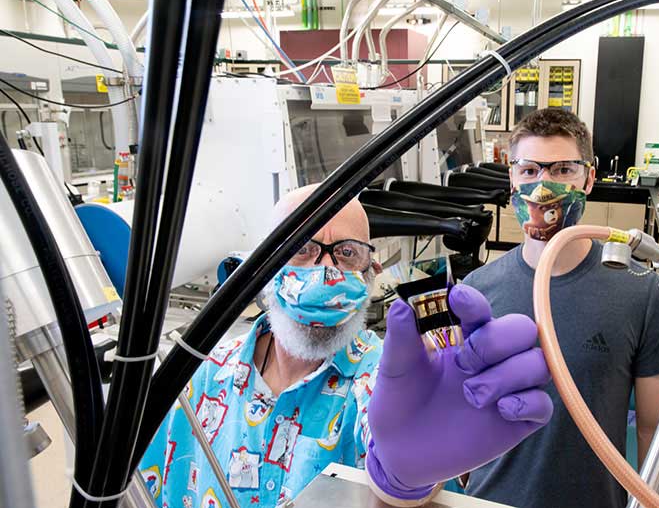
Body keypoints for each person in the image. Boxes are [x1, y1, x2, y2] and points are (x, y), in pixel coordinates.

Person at [140, 184, 554, 508]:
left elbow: (394, 460)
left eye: (347, 253)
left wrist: (404, 480)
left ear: (371, 274)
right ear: (262, 269)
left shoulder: (384, 383)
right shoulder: (202, 377)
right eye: (301, 250)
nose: (326, 272)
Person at [462, 108, 659, 508]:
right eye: (529, 170)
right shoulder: (478, 291)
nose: (544, 185)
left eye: (563, 169)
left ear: (589, 178)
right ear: (511, 178)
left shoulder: (642, 292)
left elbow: (657, 434)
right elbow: (459, 416)